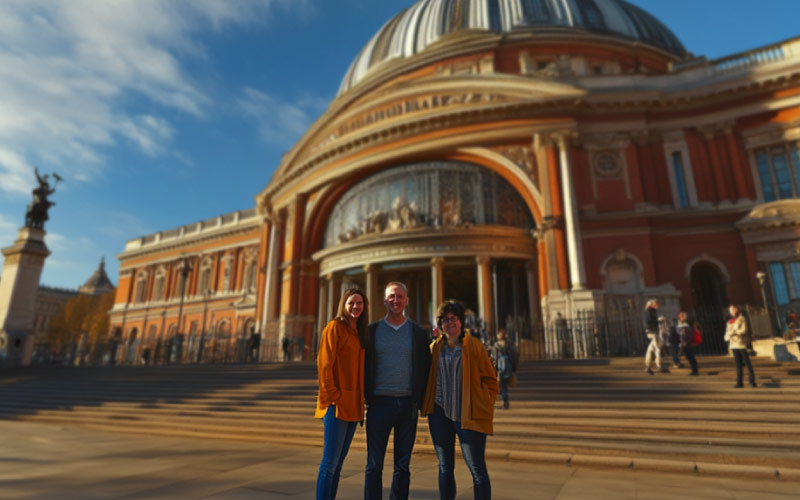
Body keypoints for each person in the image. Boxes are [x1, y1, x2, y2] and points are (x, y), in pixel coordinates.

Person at [422, 300, 499, 500]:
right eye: (445, 320)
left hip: (468, 413)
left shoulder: (475, 346)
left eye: (453, 318)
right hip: (439, 413)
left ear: (461, 321)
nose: (450, 323)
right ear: (440, 324)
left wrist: (485, 404)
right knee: (445, 467)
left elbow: (491, 380)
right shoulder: (434, 348)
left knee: (476, 468)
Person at [364, 282, 431, 500]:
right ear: (385, 300)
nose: (396, 300)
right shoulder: (372, 331)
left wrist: (421, 402)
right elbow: (361, 365)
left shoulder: (418, 333)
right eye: (392, 296)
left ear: (407, 300)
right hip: (379, 405)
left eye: (400, 296)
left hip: (407, 406)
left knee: (403, 465)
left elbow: (426, 366)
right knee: (374, 464)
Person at [315, 287, 369, 500]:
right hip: (337, 405)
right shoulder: (335, 327)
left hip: (353, 406)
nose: (355, 307)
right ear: (343, 305)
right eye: (351, 303)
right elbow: (324, 364)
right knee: (329, 464)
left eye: (359, 303)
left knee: (337, 465)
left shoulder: (359, 332)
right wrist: (333, 396)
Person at [724, 305, 757, 388]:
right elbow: (727, 331)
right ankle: (739, 382)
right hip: (733, 344)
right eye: (730, 310)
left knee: (747, 362)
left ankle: (752, 381)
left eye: (733, 309)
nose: (731, 311)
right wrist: (728, 335)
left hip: (740, 343)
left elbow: (743, 330)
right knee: (738, 364)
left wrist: (734, 332)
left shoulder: (742, 319)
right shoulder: (730, 321)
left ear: (737, 309)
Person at [491, 328, 518, 409]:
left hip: (500, 367)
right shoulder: (509, 344)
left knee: (502, 385)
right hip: (508, 367)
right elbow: (513, 357)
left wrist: (494, 369)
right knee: (504, 385)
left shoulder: (496, 345)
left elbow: (494, 358)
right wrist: (513, 367)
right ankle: (505, 399)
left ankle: (505, 399)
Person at [643, 299, 663, 375]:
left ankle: (647, 367)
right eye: (656, 304)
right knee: (657, 349)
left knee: (650, 349)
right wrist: (658, 321)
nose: (658, 305)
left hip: (654, 331)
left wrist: (658, 321)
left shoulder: (652, 311)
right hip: (652, 332)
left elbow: (652, 321)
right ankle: (659, 366)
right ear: (652, 304)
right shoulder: (648, 311)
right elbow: (647, 323)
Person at [676, 312, 698, 376]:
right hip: (685, 343)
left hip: (688, 343)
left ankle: (695, 371)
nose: (680, 318)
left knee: (691, 357)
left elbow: (685, 334)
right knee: (690, 357)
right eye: (680, 317)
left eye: (681, 317)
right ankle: (694, 371)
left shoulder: (686, 324)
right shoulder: (683, 324)